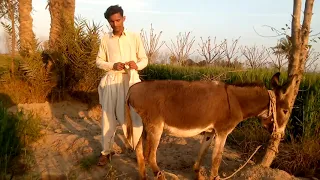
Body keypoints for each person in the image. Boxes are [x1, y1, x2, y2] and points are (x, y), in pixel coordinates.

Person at [95, 5, 148, 166]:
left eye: (118, 20)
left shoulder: (134, 37)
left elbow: (144, 59)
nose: (115, 24)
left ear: (124, 18)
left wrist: (136, 65)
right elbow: (98, 61)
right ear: (108, 22)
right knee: (108, 117)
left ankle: (139, 150)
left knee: (134, 117)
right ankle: (106, 152)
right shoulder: (105, 39)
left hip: (131, 82)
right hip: (112, 81)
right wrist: (113, 65)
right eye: (112, 21)